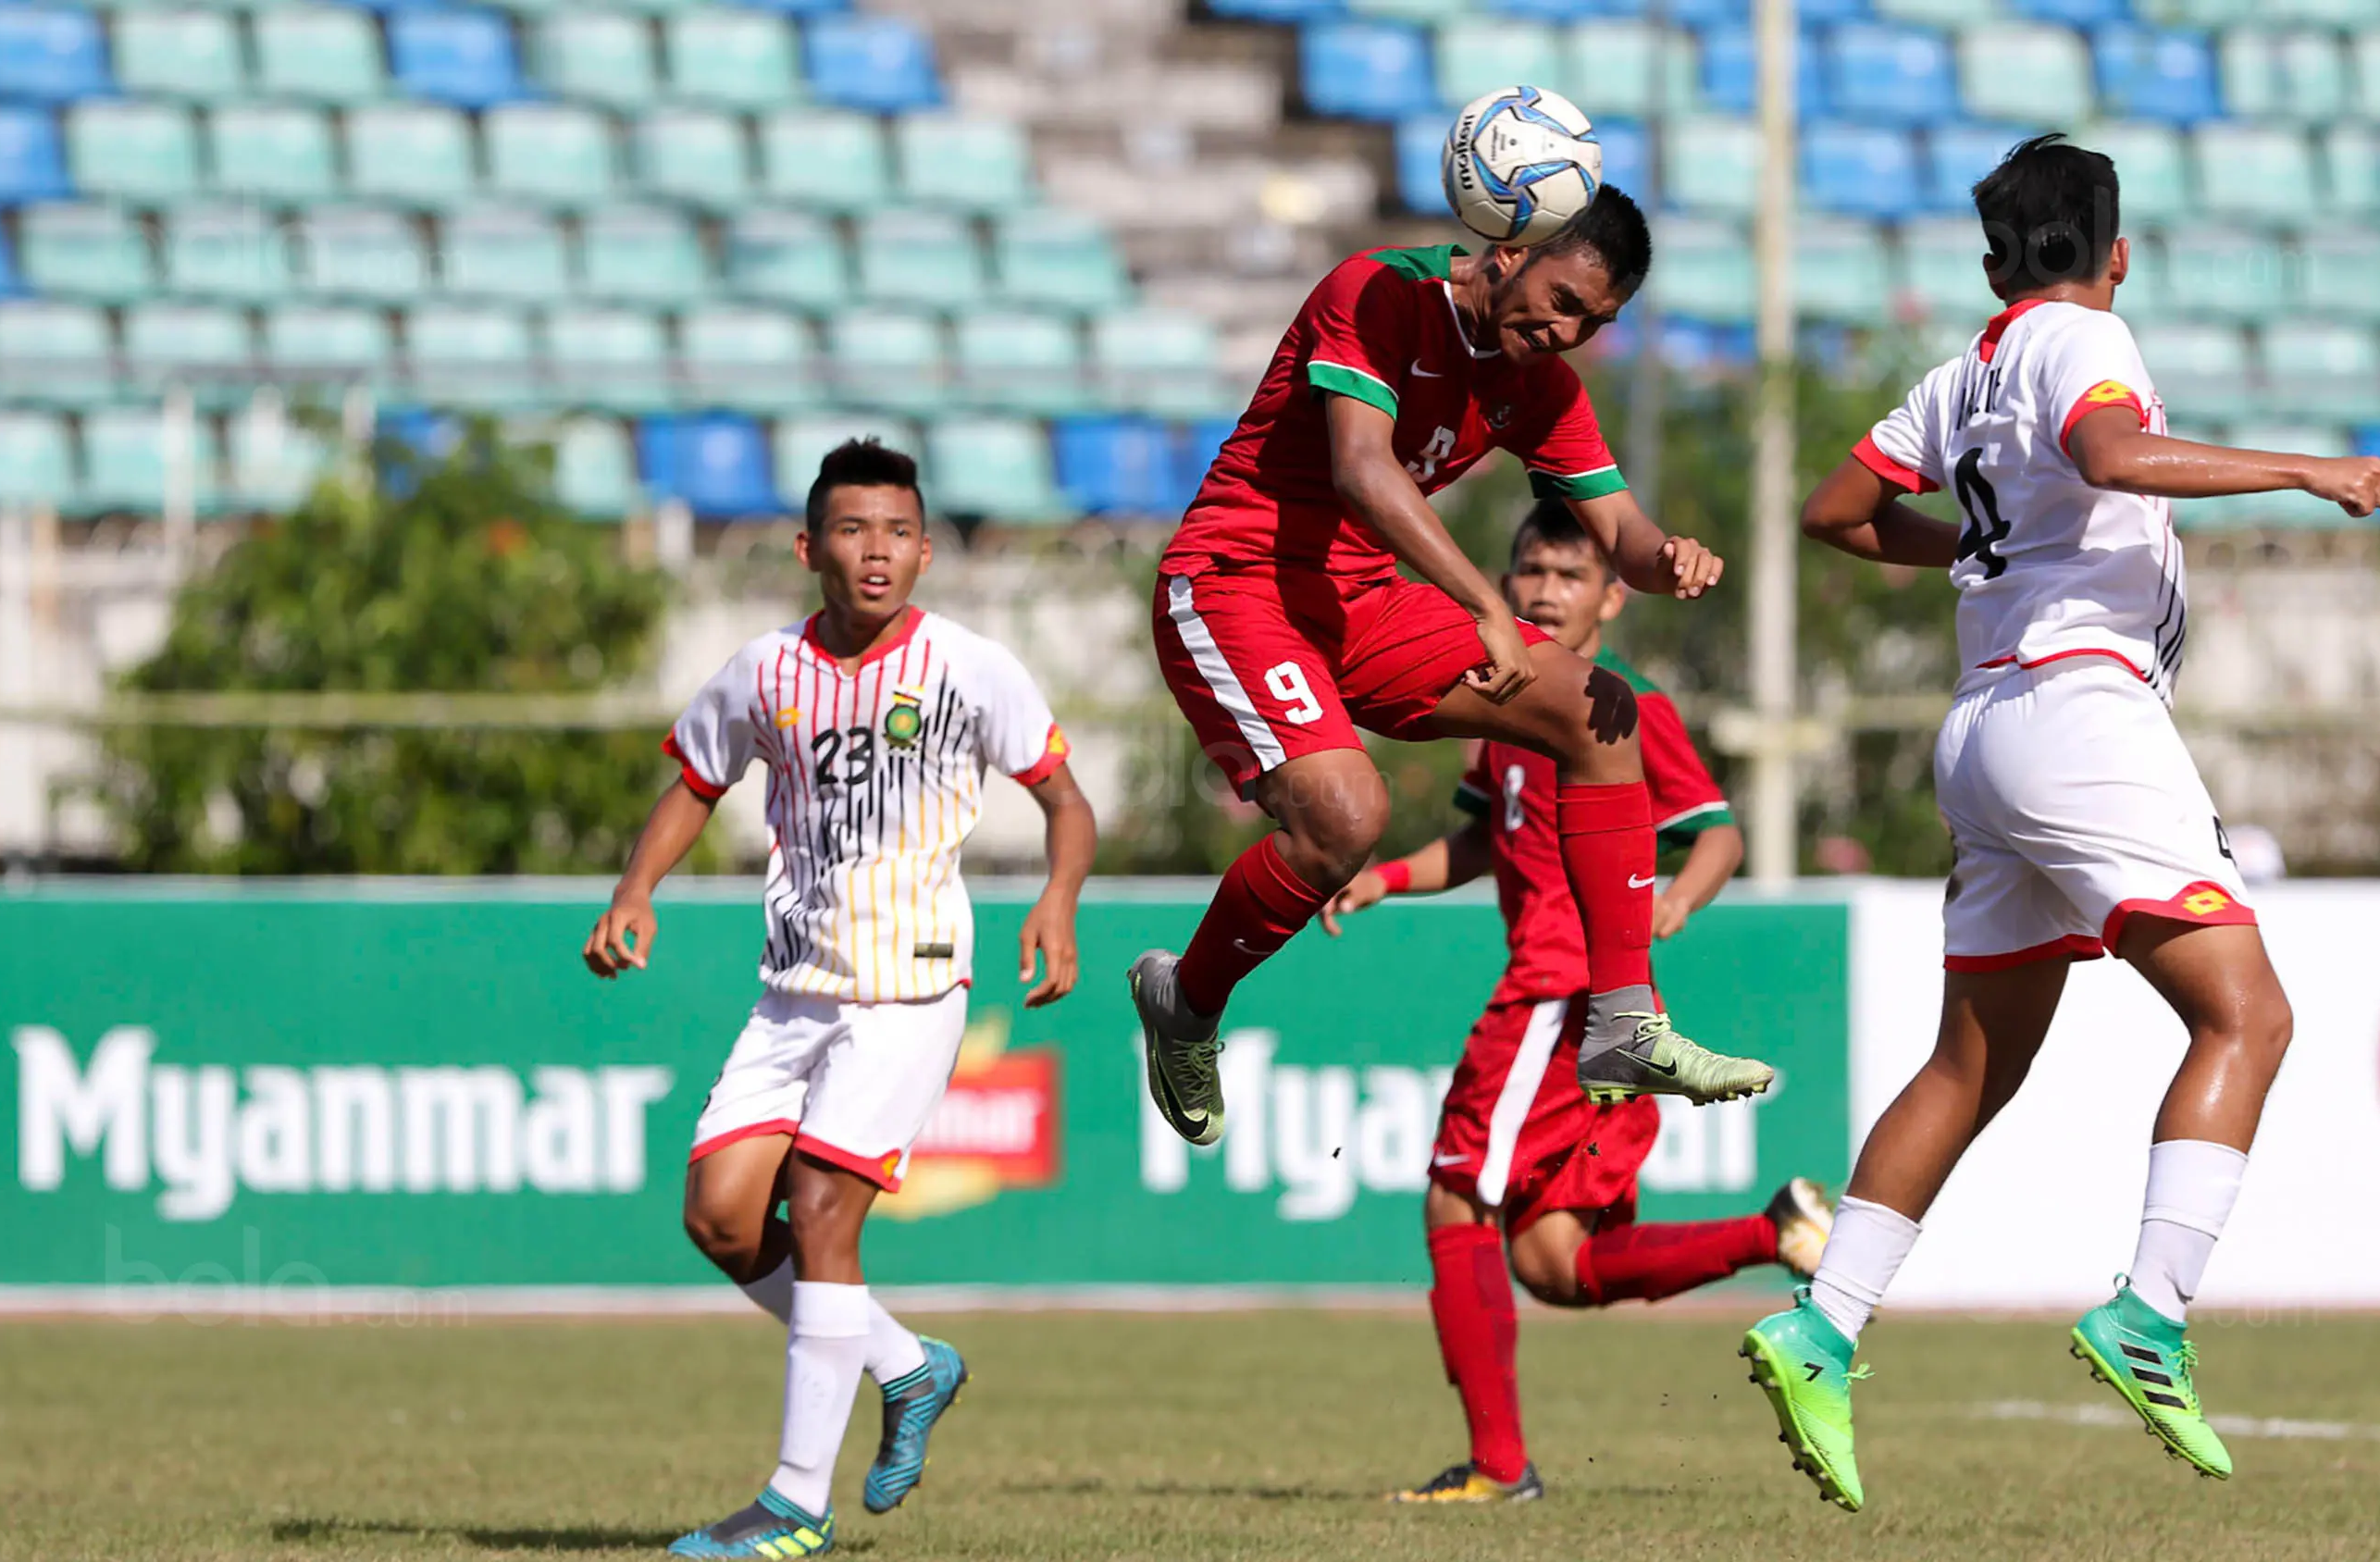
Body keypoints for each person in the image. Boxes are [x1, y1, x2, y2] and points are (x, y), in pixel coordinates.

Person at [1742, 135, 2380, 1512]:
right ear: (2118, 254)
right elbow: (2112, 453)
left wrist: (1987, 551)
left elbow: (1836, 511)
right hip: (2079, 719)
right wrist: (2309, 469)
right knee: (2250, 1018)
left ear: (1992, 262)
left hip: (1983, 732)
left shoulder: (1966, 375)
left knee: (1973, 1066)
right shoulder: (2081, 340)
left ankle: (1823, 1326)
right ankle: (2151, 1315)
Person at [1131, 186, 1775, 1153]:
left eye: (1593, 324)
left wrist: (1665, 556)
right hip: (1238, 581)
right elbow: (1361, 466)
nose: (1567, 332)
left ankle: (1621, 1022)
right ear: (1511, 251)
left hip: (1359, 600)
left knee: (1606, 710)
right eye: (1563, 300)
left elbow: (1620, 530)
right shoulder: (1380, 292)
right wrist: (1484, 601)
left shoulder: (1543, 387)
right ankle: (1186, 1001)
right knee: (1346, 815)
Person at [584, 439, 1097, 1559]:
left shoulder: (970, 666)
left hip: (912, 985)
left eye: (900, 532)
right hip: (795, 991)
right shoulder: (766, 668)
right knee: (721, 1216)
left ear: (924, 547)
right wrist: (636, 889)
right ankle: (909, 1365)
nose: (879, 551)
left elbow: (1067, 802)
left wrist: (1056, 903)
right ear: (812, 545)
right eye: (855, 530)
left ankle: (792, 1503)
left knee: (821, 1210)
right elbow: (695, 781)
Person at [1324, 503, 1835, 1503]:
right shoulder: (1502, 702)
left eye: (1569, 573)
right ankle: (1775, 1229)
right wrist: (1383, 875)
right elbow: (1477, 845)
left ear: (1612, 594)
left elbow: (1716, 831)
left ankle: (1496, 1468)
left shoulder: (1618, 701)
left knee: (1456, 1194)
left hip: (1563, 991)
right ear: (1506, 581)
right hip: (1584, 1000)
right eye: (1530, 570)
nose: (1545, 590)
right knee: (1558, 1259)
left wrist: (1676, 901)